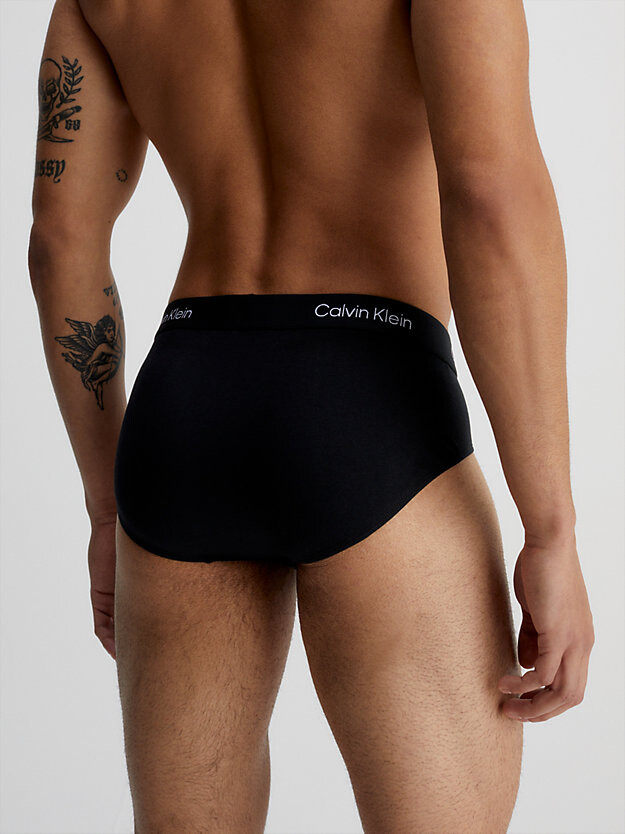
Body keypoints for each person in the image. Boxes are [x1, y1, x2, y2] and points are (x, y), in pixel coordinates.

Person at [28, 0, 595, 831]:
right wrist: (549, 529)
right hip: (372, 399)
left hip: (186, 405)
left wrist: (108, 508)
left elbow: (60, 244)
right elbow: (489, 193)